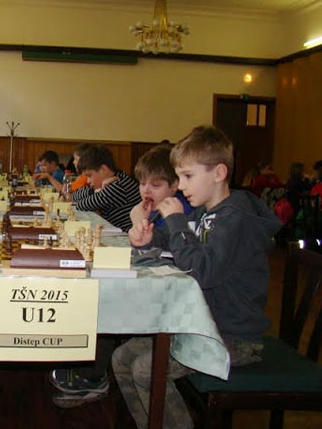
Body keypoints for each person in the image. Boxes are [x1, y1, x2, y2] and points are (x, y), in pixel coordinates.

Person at [119, 125, 282, 429]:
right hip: (200, 324)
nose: (181, 186)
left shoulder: (235, 219)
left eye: (187, 176)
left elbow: (202, 270)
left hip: (232, 336)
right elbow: (180, 245)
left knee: (146, 371)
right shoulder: (205, 212)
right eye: (179, 177)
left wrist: (176, 221)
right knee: (122, 359)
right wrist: (151, 238)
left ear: (218, 172)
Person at [49, 144, 192, 409]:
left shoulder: (178, 212)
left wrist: (137, 220)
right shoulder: (156, 207)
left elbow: (176, 255)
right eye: (143, 184)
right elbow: (77, 198)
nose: (146, 191)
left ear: (175, 186)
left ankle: (93, 375)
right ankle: (86, 364)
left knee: (107, 299)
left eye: (155, 185)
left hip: (171, 300)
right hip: (159, 283)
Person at [72, 145, 141, 232]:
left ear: (103, 169)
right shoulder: (119, 176)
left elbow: (81, 205)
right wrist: (95, 191)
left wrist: (97, 192)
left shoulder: (118, 186)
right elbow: (75, 196)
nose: (88, 181)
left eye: (89, 175)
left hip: (127, 235)